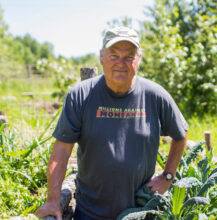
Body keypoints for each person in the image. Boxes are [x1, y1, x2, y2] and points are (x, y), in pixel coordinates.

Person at [35, 26, 188, 220]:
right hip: (89, 213)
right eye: (114, 55)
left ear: (139, 59)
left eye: (129, 57)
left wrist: (167, 176)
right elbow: (61, 151)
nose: (121, 64)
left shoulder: (155, 96)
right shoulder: (80, 95)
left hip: (139, 213)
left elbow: (181, 134)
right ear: (101, 57)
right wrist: (52, 200)